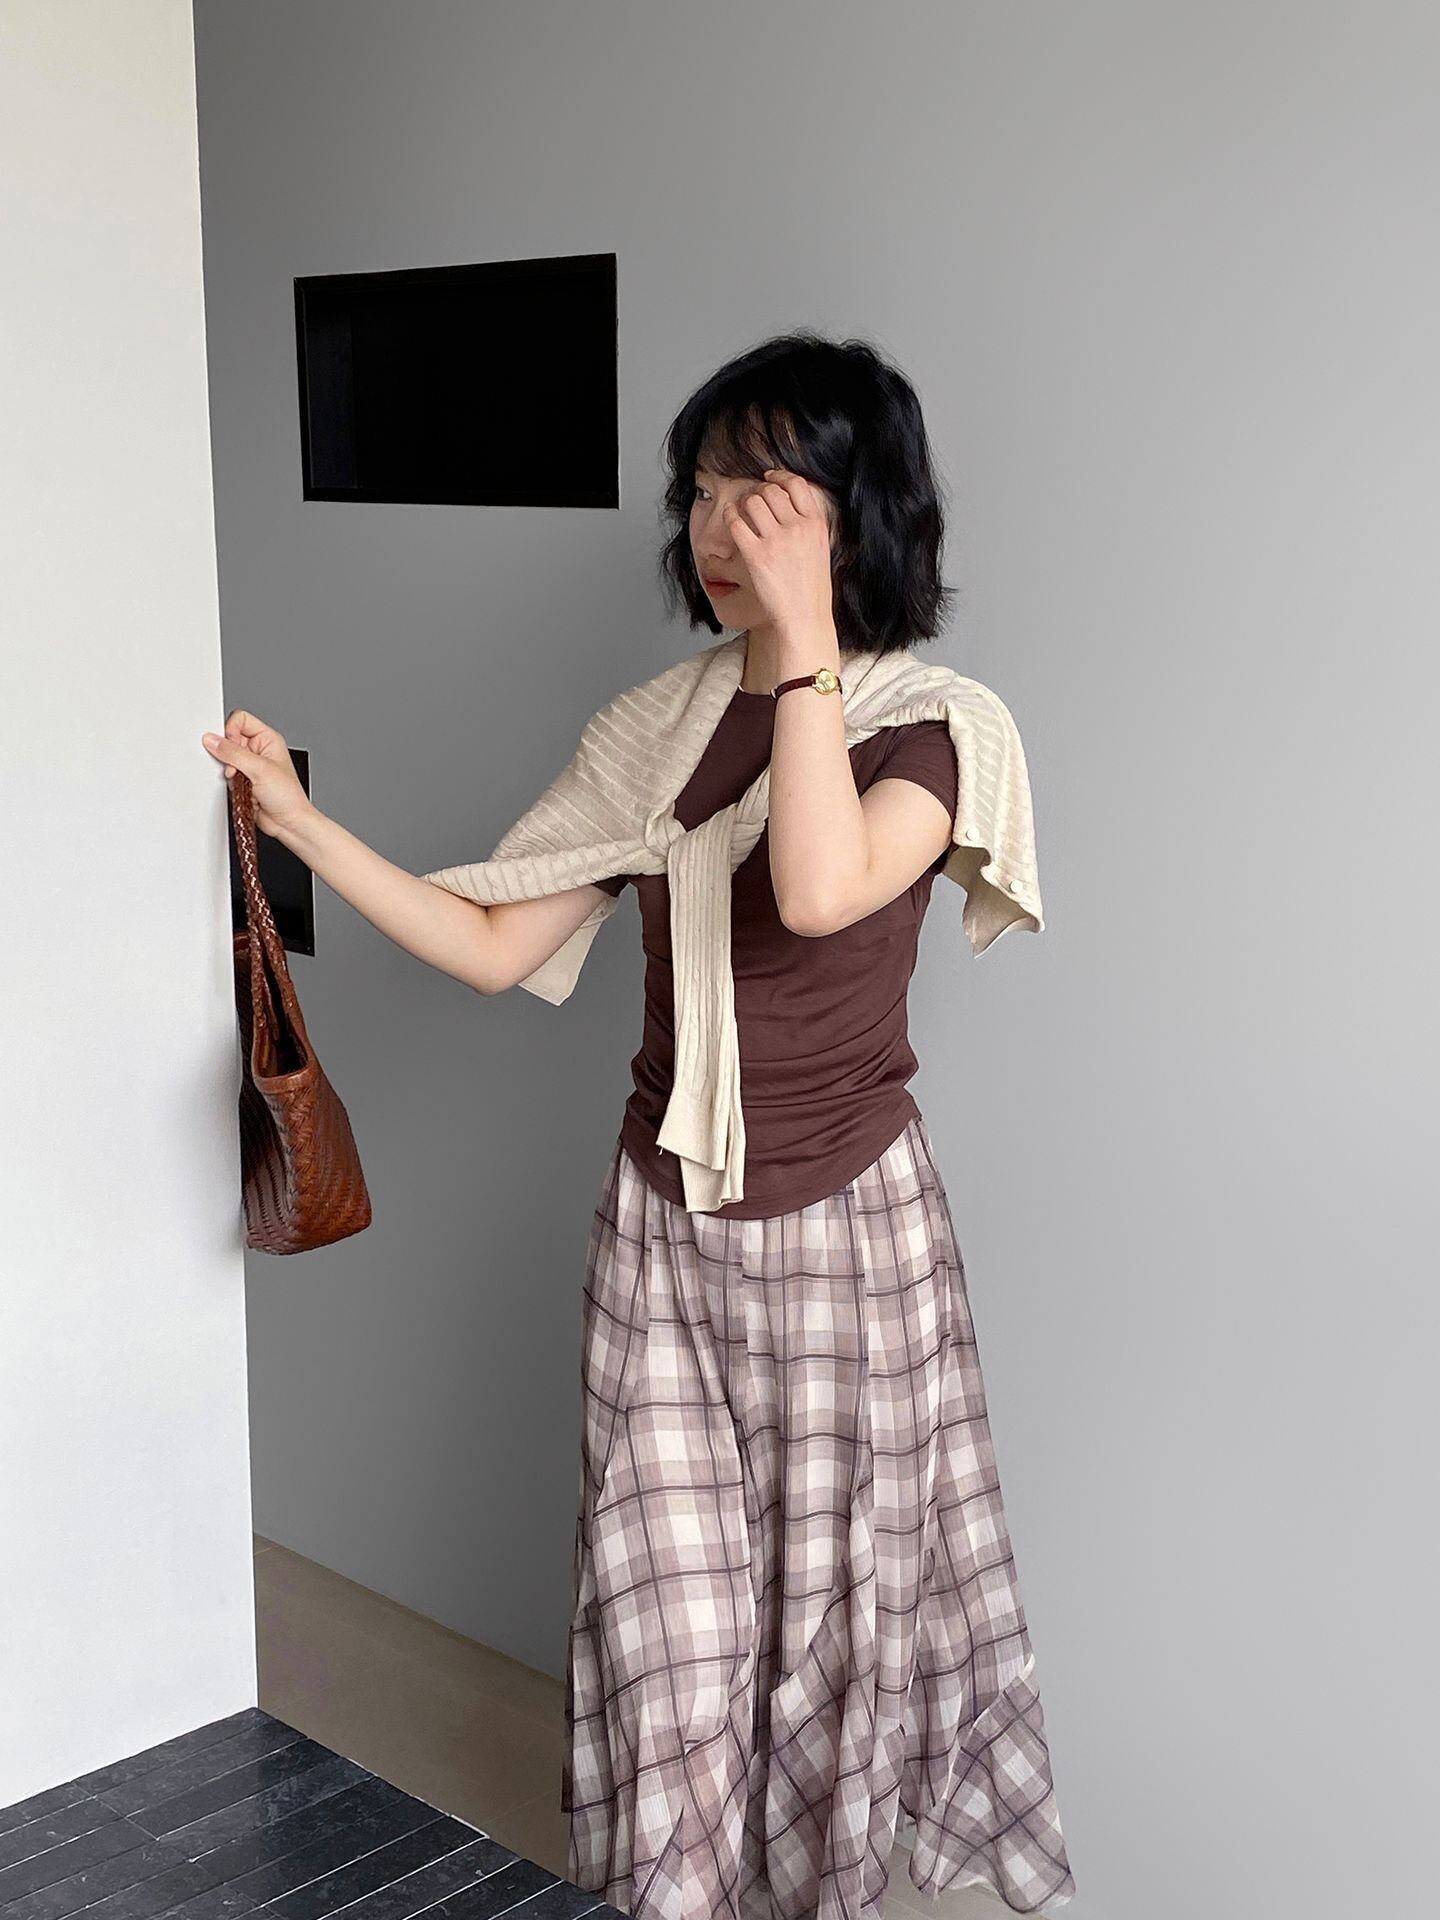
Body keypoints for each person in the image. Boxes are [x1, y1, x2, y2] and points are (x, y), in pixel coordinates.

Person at [200, 333, 1075, 1920]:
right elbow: (494, 943)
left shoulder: (935, 727)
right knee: (662, 1635)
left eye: (766, 492)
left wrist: (801, 645)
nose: (719, 526)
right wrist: (299, 823)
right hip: (662, 1235)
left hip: (849, 1239)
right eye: (703, 490)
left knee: (831, 1648)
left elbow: (818, 885)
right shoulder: (655, 729)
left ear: (857, 512)